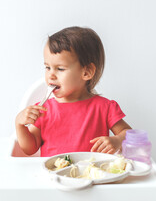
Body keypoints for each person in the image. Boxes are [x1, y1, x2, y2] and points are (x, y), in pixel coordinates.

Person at [15, 26, 131, 157]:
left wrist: (117, 140)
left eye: (60, 69)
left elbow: (129, 134)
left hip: (91, 175)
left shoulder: (105, 107)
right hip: (53, 176)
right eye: (47, 67)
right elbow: (30, 149)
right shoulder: (43, 109)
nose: (51, 75)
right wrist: (19, 125)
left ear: (86, 72)